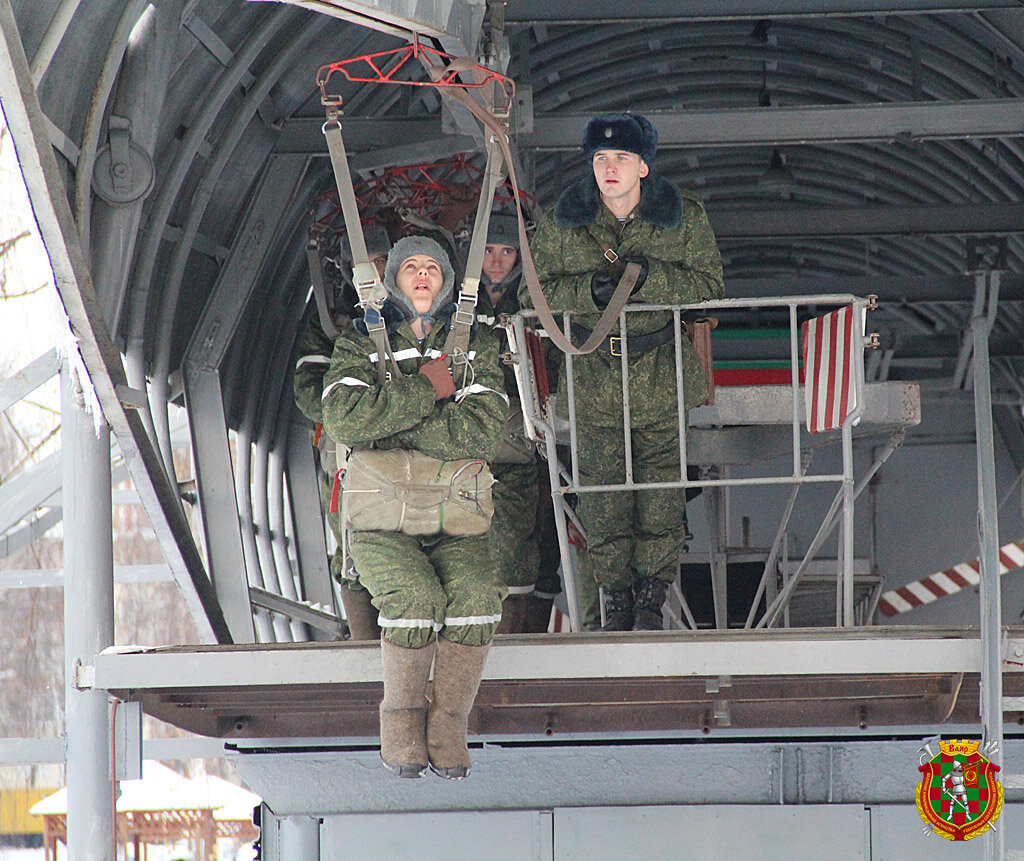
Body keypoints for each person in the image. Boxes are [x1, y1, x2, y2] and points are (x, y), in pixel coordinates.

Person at [519, 113, 724, 631]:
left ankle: (651, 599)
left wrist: (649, 281)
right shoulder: (565, 222)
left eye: (622, 159)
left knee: (660, 497)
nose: (610, 169)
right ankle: (615, 600)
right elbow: (532, 295)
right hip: (593, 377)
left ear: (644, 167)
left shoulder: (683, 218)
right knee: (603, 501)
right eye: (601, 159)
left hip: (660, 373)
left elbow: (708, 285)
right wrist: (587, 292)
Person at [321, 236, 508, 779]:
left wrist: (392, 423)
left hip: (454, 515)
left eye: (432, 268)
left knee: (477, 598)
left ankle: (449, 722)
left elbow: (481, 430)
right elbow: (345, 421)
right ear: (395, 282)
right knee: (415, 600)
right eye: (411, 269)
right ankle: (401, 723)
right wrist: (431, 390)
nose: (422, 276)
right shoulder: (361, 343)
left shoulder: (478, 343)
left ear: (446, 280)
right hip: (382, 519)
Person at [293, 224, 391, 641]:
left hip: (400, 452)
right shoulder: (329, 323)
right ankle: (366, 640)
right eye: (358, 265)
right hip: (346, 455)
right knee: (350, 545)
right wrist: (354, 416)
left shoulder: (412, 313)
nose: (367, 273)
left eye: (377, 263)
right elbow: (307, 388)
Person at [476, 213, 562, 634]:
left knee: (516, 544)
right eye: (489, 251)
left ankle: (515, 640)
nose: (496, 261)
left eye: (506, 251)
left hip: (518, 443)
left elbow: (555, 366)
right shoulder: (458, 305)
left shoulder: (534, 305)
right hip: (464, 444)